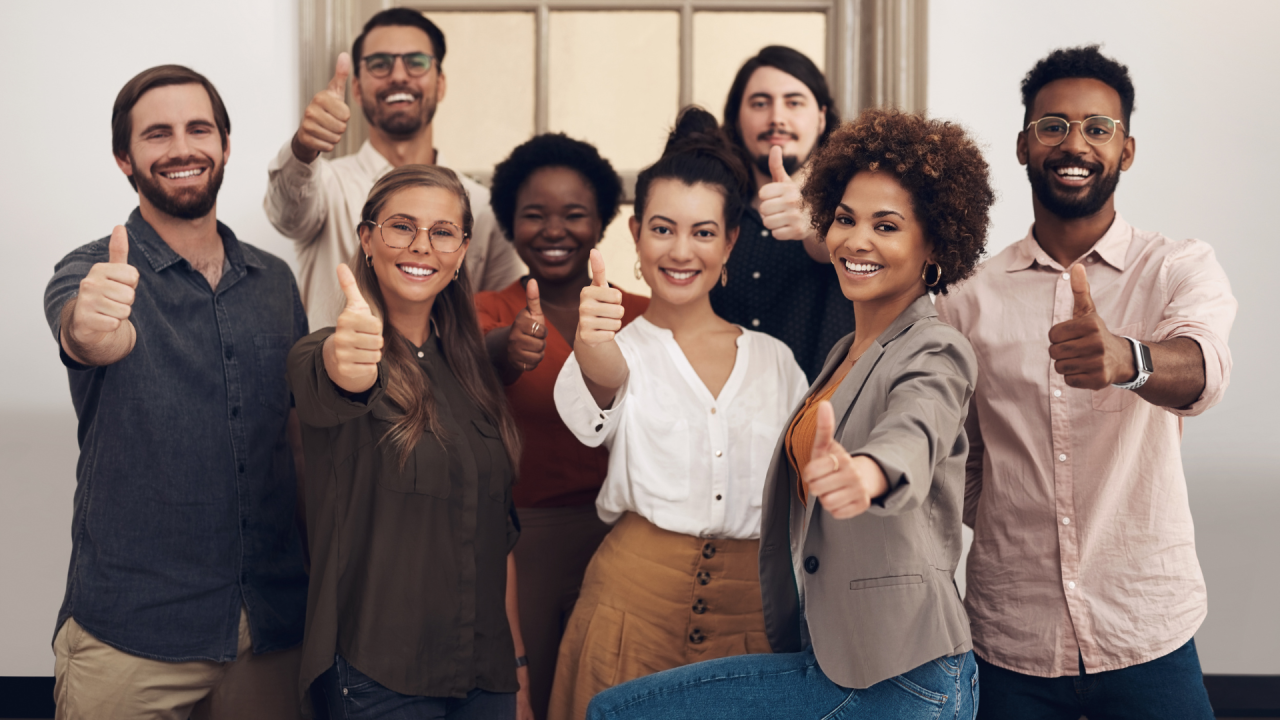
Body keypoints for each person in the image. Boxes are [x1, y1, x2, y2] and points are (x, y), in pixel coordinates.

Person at [584, 108, 994, 720]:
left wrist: (872, 474)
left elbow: (920, 424)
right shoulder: (842, 354)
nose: (857, 240)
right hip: (840, 653)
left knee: (622, 712)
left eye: (887, 226)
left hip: (901, 671)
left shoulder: (934, 346)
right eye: (846, 219)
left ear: (934, 244)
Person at [935, 45, 1236, 720]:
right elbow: (963, 455)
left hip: (1146, 628)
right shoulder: (966, 296)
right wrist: (1010, 517)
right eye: (1054, 126)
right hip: (1009, 639)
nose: (1075, 144)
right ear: (1022, 145)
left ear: (1126, 150)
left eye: (1098, 128)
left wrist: (1129, 360)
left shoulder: (1177, 267)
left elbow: (1206, 368)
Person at [43, 65, 309, 720]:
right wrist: (91, 328)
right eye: (157, 134)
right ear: (124, 158)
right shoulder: (93, 269)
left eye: (199, 129)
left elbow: (294, 440)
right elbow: (80, 330)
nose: (182, 148)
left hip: (269, 631)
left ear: (224, 145)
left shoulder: (276, 281)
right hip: (130, 637)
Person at [547, 107, 809, 720]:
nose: (680, 251)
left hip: (754, 626)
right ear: (635, 234)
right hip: (626, 616)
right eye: (662, 230)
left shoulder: (776, 362)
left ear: (731, 241)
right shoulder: (615, 349)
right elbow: (603, 389)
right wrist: (591, 346)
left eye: (703, 232)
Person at [288, 165, 535, 719]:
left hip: (486, 673)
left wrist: (518, 672)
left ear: (462, 250)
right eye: (401, 226)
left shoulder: (473, 374)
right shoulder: (323, 351)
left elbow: (500, 539)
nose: (421, 246)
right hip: (380, 674)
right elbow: (337, 378)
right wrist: (346, 361)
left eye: (442, 232)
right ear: (368, 238)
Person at [475, 133, 649, 719]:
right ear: (508, 222)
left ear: (602, 220)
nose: (554, 230)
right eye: (534, 215)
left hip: (625, 537)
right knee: (531, 698)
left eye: (574, 214)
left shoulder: (644, 315)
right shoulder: (487, 311)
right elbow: (465, 362)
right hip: (525, 545)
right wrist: (505, 346)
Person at [266, 8, 523, 331]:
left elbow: (501, 322)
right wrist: (304, 147)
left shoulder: (483, 206)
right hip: (332, 378)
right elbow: (284, 213)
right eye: (380, 63)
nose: (399, 76)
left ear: (440, 84)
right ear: (357, 89)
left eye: (416, 62)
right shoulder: (328, 185)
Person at [710, 45, 850, 382]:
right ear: (736, 118)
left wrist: (815, 222)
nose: (776, 117)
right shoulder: (712, 213)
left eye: (794, 102)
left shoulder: (856, 204)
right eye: (760, 103)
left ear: (820, 118)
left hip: (824, 423)